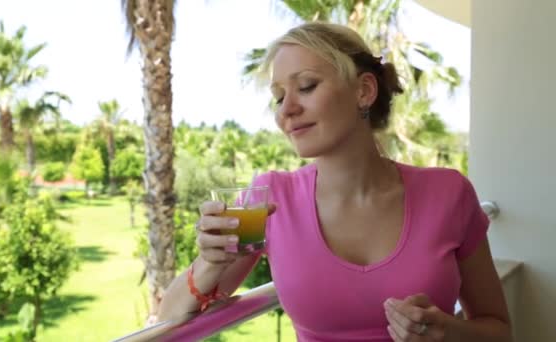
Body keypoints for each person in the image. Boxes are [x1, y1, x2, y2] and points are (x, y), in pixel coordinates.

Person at [157, 22, 512, 342]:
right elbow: (169, 319)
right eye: (279, 97)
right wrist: (209, 262)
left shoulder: (448, 194)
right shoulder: (272, 199)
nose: (286, 110)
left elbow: (498, 329)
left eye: (306, 86)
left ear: (364, 91)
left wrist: (449, 334)